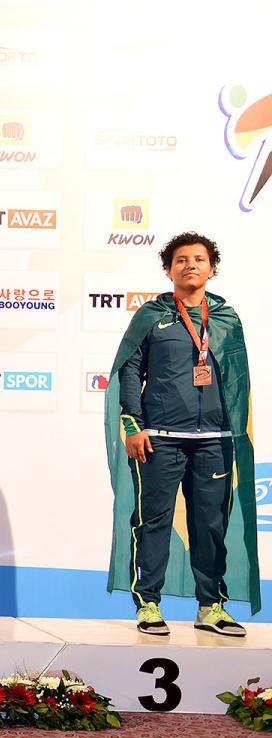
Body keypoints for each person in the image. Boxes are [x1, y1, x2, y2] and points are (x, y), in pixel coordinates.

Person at [105, 232, 259, 636]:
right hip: (159, 437)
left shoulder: (226, 319)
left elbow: (239, 382)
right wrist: (132, 425)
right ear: (168, 269)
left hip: (215, 441)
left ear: (212, 268)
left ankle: (211, 606)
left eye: (199, 259)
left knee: (211, 524)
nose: (190, 265)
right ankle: (148, 605)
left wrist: (235, 434)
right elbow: (128, 370)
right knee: (152, 522)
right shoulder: (150, 316)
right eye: (181, 260)